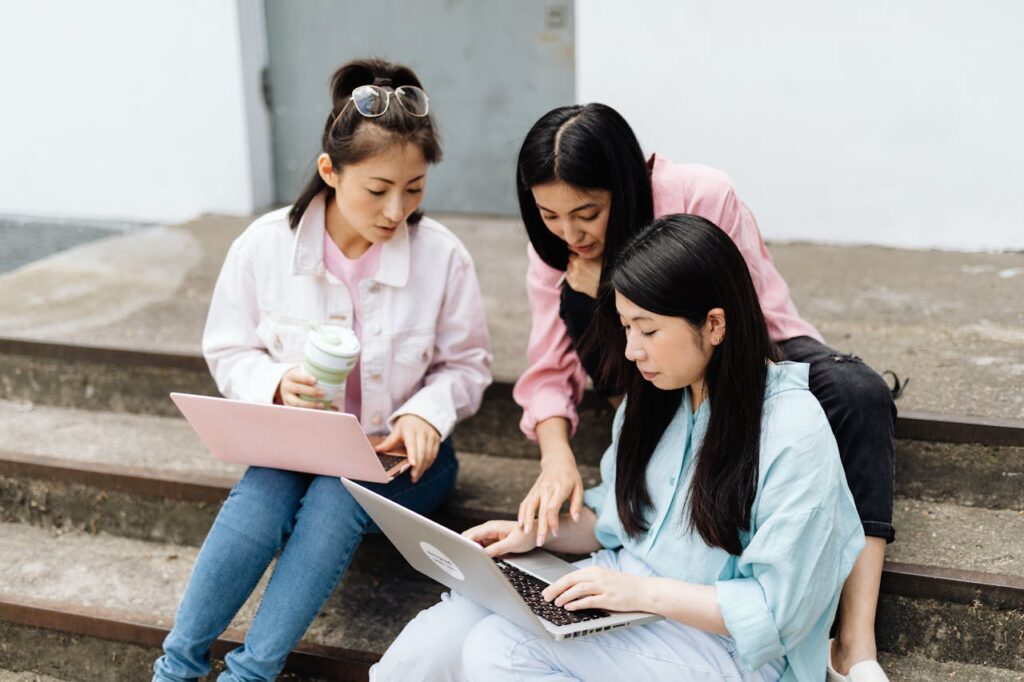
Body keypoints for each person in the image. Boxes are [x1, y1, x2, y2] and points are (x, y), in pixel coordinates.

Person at [372, 213, 865, 681]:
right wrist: (534, 535)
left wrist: (641, 593)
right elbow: (614, 517)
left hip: (729, 649)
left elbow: (774, 615)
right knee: (431, 645)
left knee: (502, 649)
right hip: (623, 592)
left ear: (715, 325)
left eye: (648, 330)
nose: (632, 350)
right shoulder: (655, 399)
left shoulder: (792, 432)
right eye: (626, 327)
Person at [511, 104, 895, 682]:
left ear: (624, 186)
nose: (570, 233)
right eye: (549, 216)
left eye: (586, 213)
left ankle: (855, 641)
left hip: (747, 341)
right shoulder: (562, 253)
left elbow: (740, 312)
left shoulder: (699, 193)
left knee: (858, 395)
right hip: (652, 374)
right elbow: (548, 369)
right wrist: (555, 458)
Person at [152, 58, 492, 681]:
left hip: (401, 457)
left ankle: (250, 674)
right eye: (378, 189)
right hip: (297, 446)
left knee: (341, 492)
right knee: (261, 492)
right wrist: (275, 384)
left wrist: (426, 413)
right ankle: (175, 669)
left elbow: (467, 366)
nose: (397, 209)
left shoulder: (442, 256)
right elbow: (228, 349)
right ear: (330, 170)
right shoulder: (263, 246)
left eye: (414, 188)